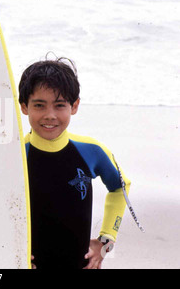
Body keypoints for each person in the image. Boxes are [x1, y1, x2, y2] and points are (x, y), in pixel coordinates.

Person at [18, 57, 131, 269]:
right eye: (39, 105)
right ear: (24, 107)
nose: (50, 115)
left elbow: (121, 187)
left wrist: (106, 241)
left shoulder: (91, 151)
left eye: (59, 105)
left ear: (75, 106)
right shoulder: (16, 154)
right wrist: (11, 251)